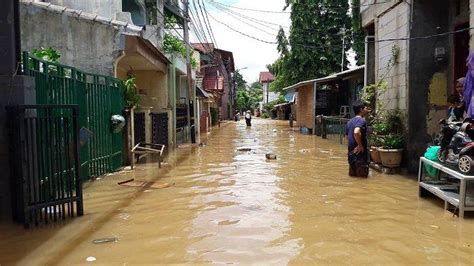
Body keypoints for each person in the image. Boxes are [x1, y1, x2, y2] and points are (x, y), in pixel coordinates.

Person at [346, 101, 370, 177]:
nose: (368, 110)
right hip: (360, 156)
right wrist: (360, 145)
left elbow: (347, 137)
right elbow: (356, 132)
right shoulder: (362, 120)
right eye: (366, 108)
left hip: (351, 156)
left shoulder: (349, 122)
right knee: (363, 183)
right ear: (361, 109)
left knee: (354, 180)